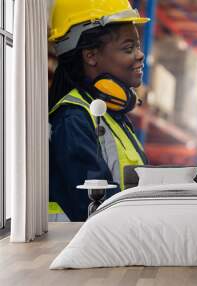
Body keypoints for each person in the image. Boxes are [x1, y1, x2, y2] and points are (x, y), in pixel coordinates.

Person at [48, 0, 149, 221]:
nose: (140, 55)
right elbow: (96, 207)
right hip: (79, 248)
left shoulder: (111, 117)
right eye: (128, 48)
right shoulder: (73, 119)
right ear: (91, 55)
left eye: (138, 46)